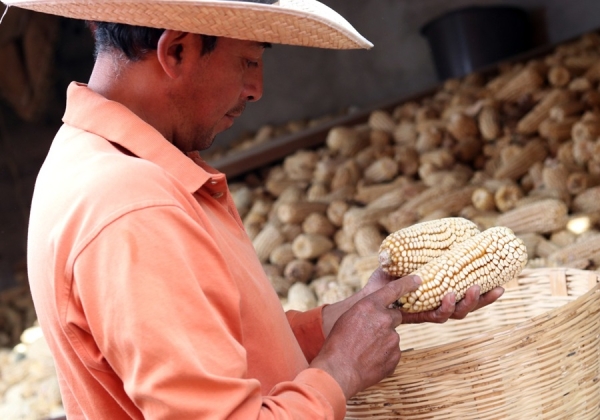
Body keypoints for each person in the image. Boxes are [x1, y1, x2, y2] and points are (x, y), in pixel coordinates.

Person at [5, 0, 504, 418]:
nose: (257, 89)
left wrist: (357, 314)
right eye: (249, 61)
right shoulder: (132, 209)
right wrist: (341, 371)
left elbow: (223, 357)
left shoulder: (90, 157)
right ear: (176, 49)